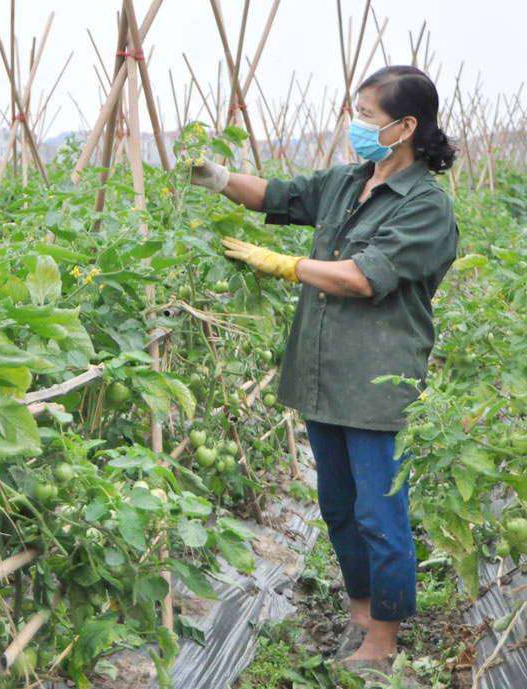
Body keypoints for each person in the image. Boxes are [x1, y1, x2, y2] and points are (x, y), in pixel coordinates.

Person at [187, 65, 459, 667]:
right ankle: (361, 614)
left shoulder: (426, 206)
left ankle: (383, 641)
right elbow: (276, 195)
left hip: (376, 381)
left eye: (366, 115)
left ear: (405, 126)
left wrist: (285, 264)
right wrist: (218, 177)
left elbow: (361, 278)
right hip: (322, 374)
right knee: (337, 506)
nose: (354, 124)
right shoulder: (347, 182)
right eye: (354, 112)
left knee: (379, 514)